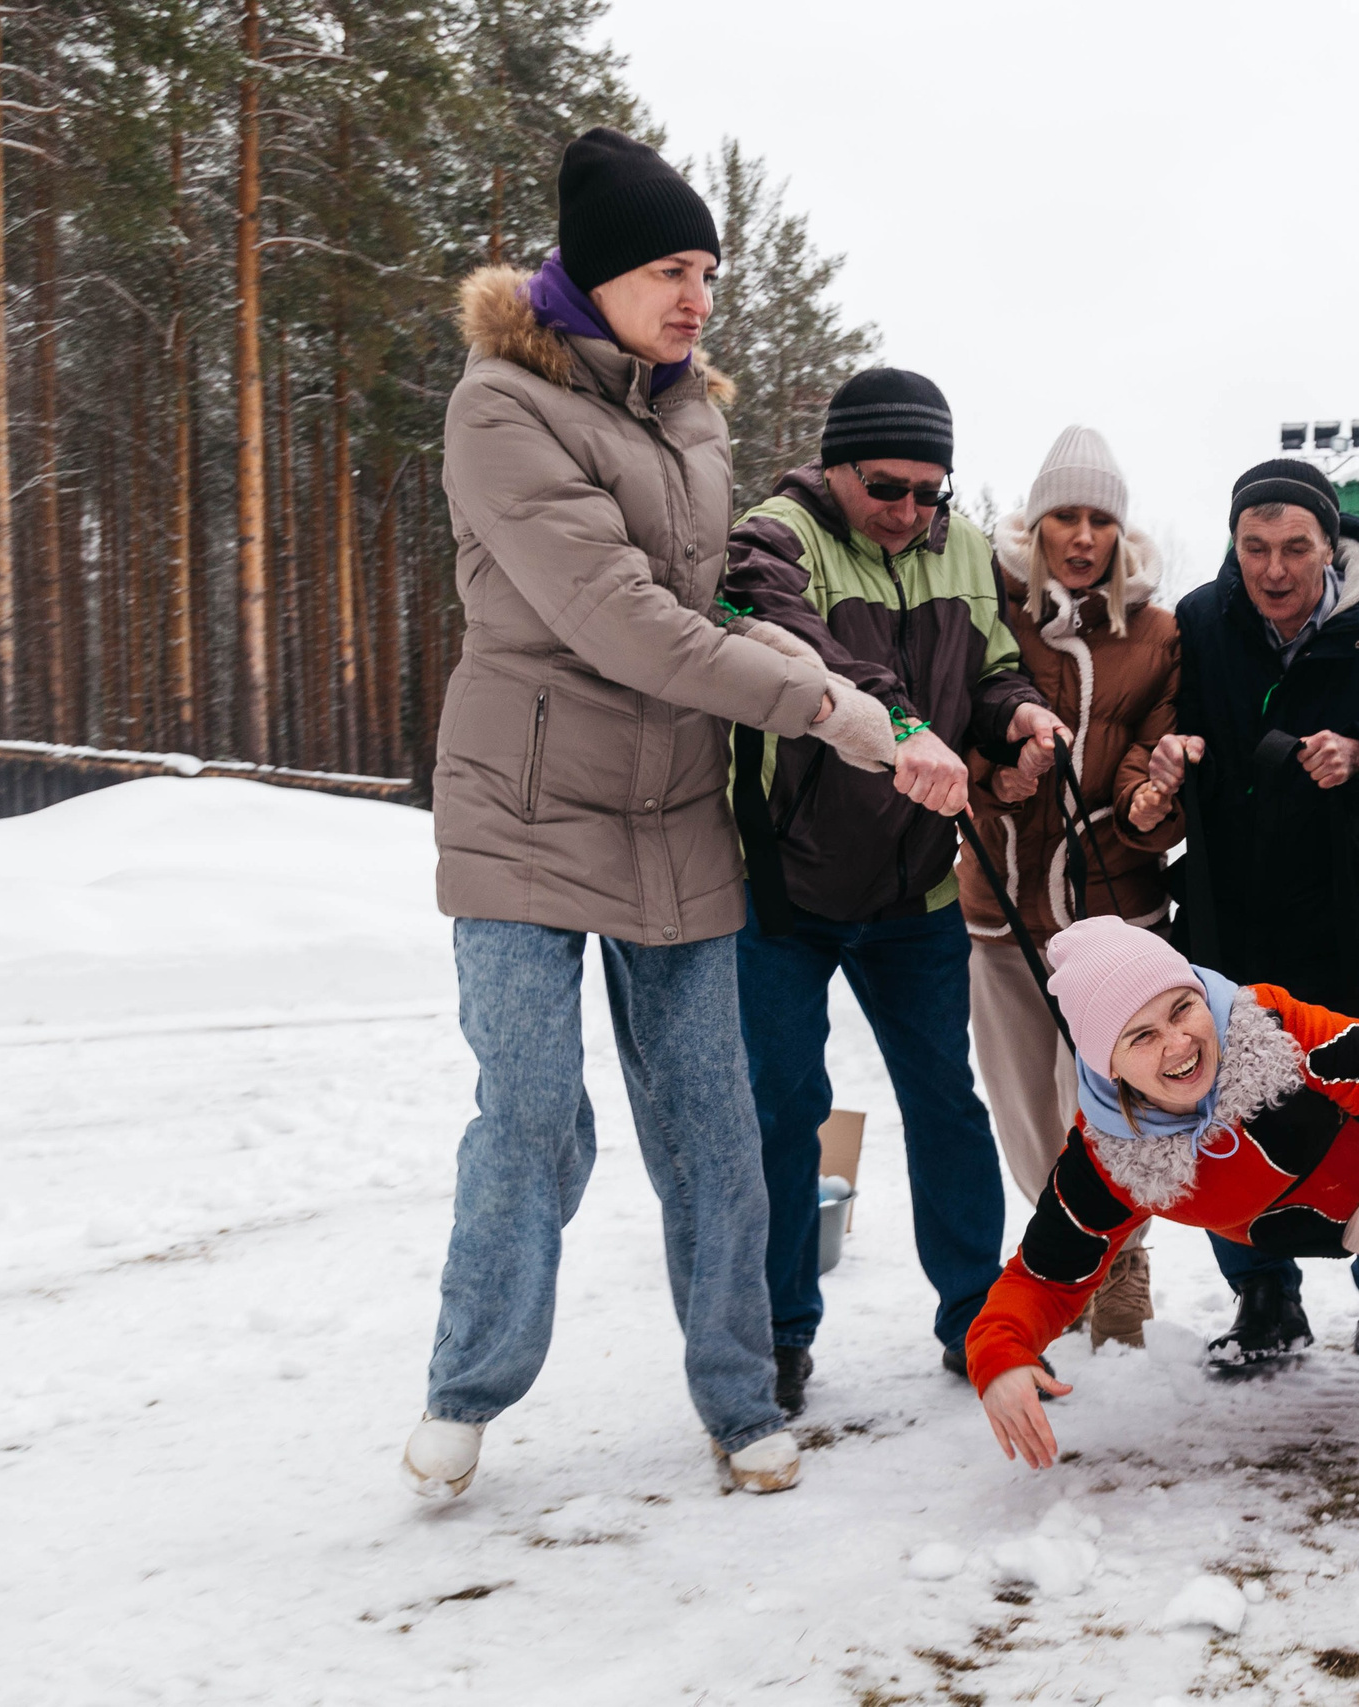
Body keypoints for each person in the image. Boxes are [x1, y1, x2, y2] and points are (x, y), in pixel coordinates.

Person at [406, 128, 901, 1500]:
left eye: (707, 271)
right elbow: (618, 618)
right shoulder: (498, 407)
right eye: (670, 269)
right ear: (597, 274)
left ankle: (740, 1398)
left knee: (713, 1123)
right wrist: (811, 709)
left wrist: (802, 657)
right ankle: (465, 1388)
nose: (696, 296)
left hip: (673, 802)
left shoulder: (692, 416)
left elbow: (701, 603)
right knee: (533, 1114)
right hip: (523, 806)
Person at [720, 368, 1072, 1411]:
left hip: (917, 886)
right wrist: (903, 724)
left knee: (946, 1108)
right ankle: (782, 1333)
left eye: (933, 492)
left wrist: (1018, 717)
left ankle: (978, 1321)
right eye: (889, 488)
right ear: (835, 467)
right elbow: (797, 649)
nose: (913, 512)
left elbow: (996, 662)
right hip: (783, 888)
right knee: (786, 1114)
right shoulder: (774, 536)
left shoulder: (959, 551)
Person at [962, 917, 1359, 1464]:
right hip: (1347, 1225)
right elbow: (1045, 1274)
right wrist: (1001, 1355)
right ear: (1109, 1066)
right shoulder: (1111, 1154)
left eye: (1182, 1008)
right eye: (1142, 1035)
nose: (1179, 1043)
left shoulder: (1275, 1032)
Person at [1142, 459, 1359, 1370]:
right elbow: (1180, 723)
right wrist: (1181, 749)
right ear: (1234, 545)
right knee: (1223, 1116)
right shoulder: (1204, 619)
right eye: (1254, 548)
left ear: (1330, 545)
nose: (1273, 569)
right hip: (1222, 916)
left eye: (1294, 548)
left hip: (1337, 916)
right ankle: (1264, 1299)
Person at [960, 426, 1182, 1350]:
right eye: (1066, 518)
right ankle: (1068, 1245)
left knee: (1113, 1101)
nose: (1084, 537)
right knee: (1026, 1110)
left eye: (1101, 520)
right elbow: (959, 722)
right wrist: (993, 779)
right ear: (1036, 526)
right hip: (1004, 907)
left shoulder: (1158, 633)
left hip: (1114, 907)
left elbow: (1157, 748)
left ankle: (1118, 1266)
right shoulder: (989, 615)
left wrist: (1148, 800)